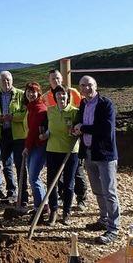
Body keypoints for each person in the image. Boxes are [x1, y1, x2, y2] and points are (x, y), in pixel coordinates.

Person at [73, 75, 121, 244]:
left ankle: (113, 228)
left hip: (105, 155)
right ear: (80, 88)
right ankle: (103, 219)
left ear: (96, 86)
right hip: (89, 153)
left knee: (109, 192)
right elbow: (79, 122)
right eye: (83, 85)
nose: (87, 88)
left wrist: (83, 128)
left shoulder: (105, 104)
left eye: (90, 85)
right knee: (97, 190)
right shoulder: (83, 104)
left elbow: (106, 129)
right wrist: (76, 128)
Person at [42, 69, 87, 211]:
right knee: (55, 179)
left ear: (62, 78)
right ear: (49, 81)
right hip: (54, 146)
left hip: (71, 146)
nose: (56, 81)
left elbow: (82, 110)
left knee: (76, 175)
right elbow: (46, 121)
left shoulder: (73, 92)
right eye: (53, 79)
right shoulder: (46, 97)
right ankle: (58, 204)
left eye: (58, 78)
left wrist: (77, 128)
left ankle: (81, 199)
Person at [0, 71, 28, 206]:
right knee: (6, 164)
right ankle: (11, 190)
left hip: (18, 134)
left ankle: (24, 194)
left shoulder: (21, 94)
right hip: (3, 133)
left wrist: (13, 117)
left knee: (20, 164)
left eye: (8, 80)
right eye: (4, 80)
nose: (6, 83)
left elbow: (24, 113)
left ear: (12, 80)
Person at [43, 85, 80, 226]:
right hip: (52, 150)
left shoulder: (74, 112)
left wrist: (76, 132)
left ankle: (66, 212)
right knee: (52, 183)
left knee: (69, 184)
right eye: (58, 95)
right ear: (55, 97)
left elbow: (79, 130)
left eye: (63, 94)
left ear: (68, 96)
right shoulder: (50, 111)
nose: (61, 97)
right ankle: (53, 211)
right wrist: (45, 134)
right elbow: (47, 129)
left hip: (70, 151)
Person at [21, 82, 49, 218]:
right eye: (28, 92)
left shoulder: (39, 109)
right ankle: (43, 205)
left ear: (38, 93)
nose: (31, 94)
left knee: (33, 177)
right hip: (32, 146)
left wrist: (26, 147)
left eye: (34, 92)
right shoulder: (30, 107)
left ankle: (41, 207)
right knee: (33, 177)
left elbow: (32, 132)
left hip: (38, 146)